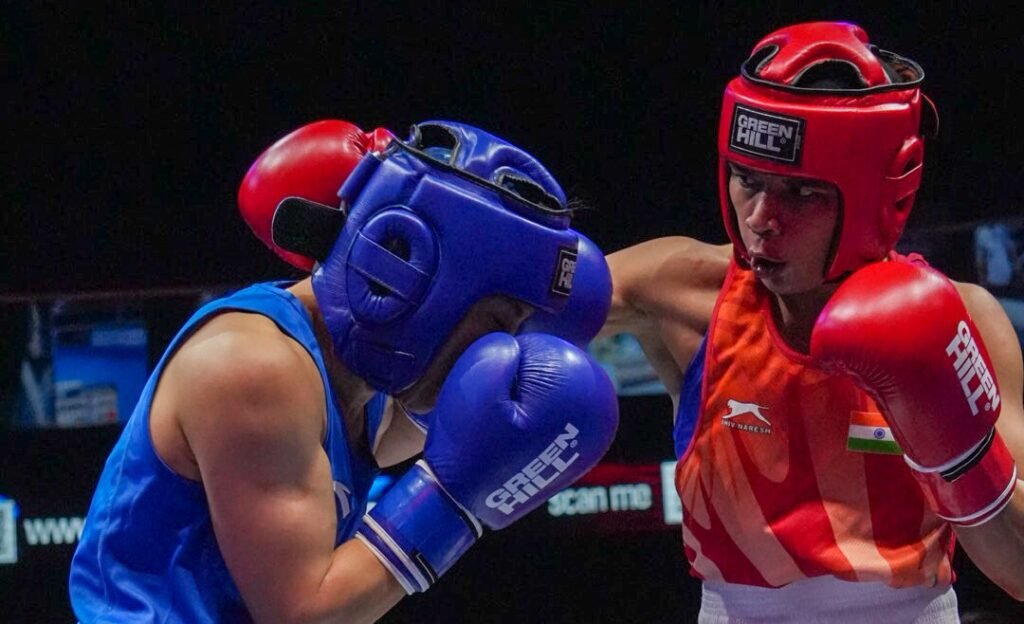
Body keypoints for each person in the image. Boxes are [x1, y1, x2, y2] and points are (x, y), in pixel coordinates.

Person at [69, 119, 620, 622]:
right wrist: (456, 500)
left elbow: (434, 431)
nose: (502, 348)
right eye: (500, 321)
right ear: (411, 277)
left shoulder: (359, 376)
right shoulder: (255, 369)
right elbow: (304, 614)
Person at [603, 22, 1024, 623]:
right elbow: (508, 312)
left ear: (878, 192)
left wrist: (958, 453)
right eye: (748, 179)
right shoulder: (681, 290)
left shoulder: (965, 321)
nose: (761, 219)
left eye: (802, 193)